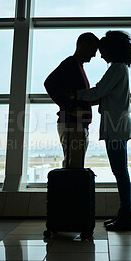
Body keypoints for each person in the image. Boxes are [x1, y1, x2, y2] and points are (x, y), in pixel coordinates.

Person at [75, 30, 131, 231]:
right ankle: (124, 213)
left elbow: (99, 91)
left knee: (120, 172)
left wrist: (74, 95)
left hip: (116, 127)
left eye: (103, 51)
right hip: (118, 126)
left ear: (112, 50)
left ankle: (126, 215)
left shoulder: (116, 69)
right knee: (121, 172)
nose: (100, 55)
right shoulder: (121, 68)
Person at [44, 32, 99, 168]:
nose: (94, 55)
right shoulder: (70, 64)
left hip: (77, 125)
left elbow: (78, 97)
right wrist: (70, 108)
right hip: (71, 124)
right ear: (83, 45)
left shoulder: (78, 67)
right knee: (73, 168)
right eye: (93, 49)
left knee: (74, 167)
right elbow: (49, 83)